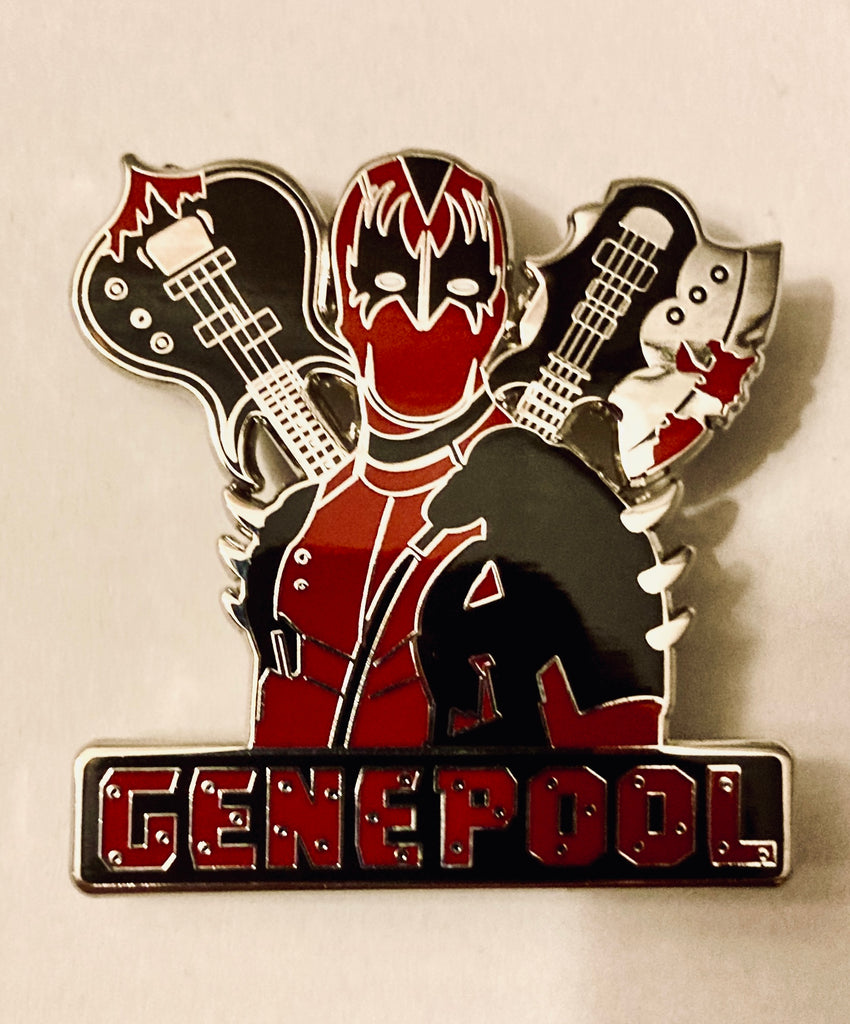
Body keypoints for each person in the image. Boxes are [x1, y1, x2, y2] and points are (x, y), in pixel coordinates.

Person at [245, 152, 666, 750]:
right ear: (340, 305)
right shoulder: (294, 525)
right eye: (387, 286)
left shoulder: (551, 501)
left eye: (461, 289)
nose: (422, 315)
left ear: (501, 311)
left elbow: (629, 732)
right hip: (289, 806)